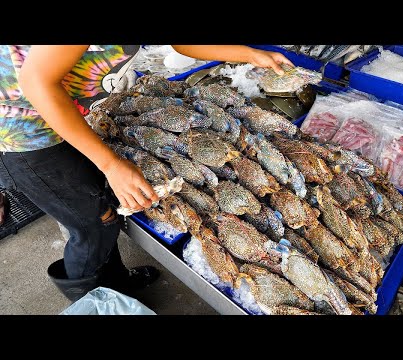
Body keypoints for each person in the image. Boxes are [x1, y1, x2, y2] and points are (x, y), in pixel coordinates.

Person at [0, 45, 293, 302]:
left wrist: (250, 54)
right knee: (92, 223)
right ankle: (93, 303)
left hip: (63, 117)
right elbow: (36, 81)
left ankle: (115, 286)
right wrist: (111, 165)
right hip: (23, 134)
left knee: (98, 206)